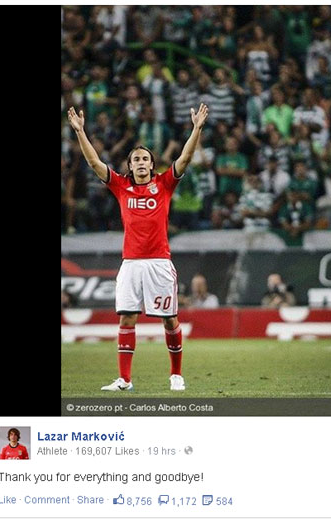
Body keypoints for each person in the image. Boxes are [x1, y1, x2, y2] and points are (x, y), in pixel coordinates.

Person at [67, 102, 209, 392]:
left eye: (145, 158)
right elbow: (94, 163)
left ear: (151, 164)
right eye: (136, 159)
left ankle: (176, 375)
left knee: (169, 319)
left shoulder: (164, 184)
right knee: (127, 317)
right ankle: (125, 380)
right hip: (131, 262)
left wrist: (196, 129)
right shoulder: (121, 186)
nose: (141, 162)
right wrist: (80, 132)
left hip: (159, 262)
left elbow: (185, 157)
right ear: (130, 166)